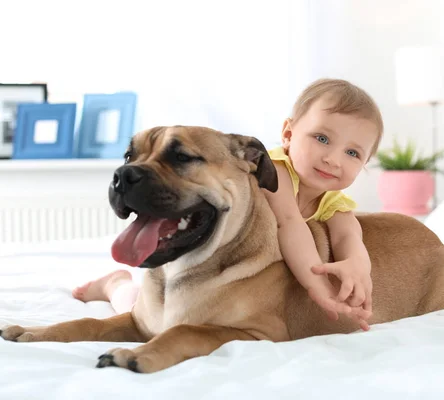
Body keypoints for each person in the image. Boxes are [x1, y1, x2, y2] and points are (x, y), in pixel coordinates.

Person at [72, 78, 384, 331]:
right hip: (215, 262)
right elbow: (289, 224)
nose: (333, 159)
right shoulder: (273, 171)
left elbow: (348, 236)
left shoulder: (337, 202)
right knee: (147, 315)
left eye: (353, 153)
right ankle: (115, 285)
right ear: (288, 134)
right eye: (322, 139)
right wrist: (319, 289)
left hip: (244, 283)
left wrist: (358, 267)